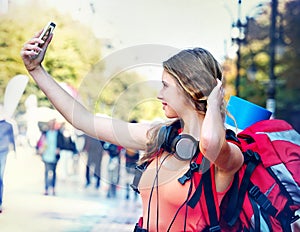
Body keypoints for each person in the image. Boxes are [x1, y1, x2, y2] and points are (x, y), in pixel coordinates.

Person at [21, 31, 244, 231]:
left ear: (191, 87)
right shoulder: (161, 136)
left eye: (165, 85)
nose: (159, 94)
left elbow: (210, 144)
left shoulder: (229, 154)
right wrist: (36, 70)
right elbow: (84, 121)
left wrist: (214, 102)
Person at [37, 119, 63, 196]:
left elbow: (61, 143)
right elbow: (40, 143)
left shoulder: (58, 134)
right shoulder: (45, 133)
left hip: (54, 156)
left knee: (54, 172)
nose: (51, 126)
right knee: (47, 172)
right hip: (46, 155)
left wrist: (59, 148)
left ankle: (53, 188)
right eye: (50, 124)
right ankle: (46, 188)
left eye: (53, 124)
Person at [0, 114, 16, 213]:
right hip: (4, 150)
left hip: (3, 151)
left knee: (0, 177)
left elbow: (12, 138)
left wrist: (14, 150)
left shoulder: (8, 125)